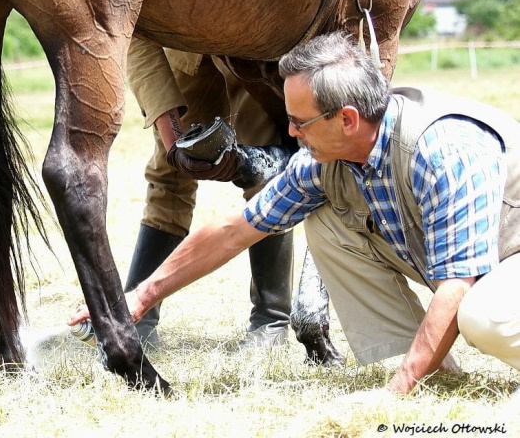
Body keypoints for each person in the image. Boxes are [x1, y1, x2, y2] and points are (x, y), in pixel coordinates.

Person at [72, 31, 520, 394]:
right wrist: (139, 296)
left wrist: (393, 396)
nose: (289, 132)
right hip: (476, 266)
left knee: (485, 317)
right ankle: (431, 373)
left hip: (507, 258)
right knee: (328, 222)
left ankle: (413, 374)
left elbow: (457, 283)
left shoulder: (442, 151)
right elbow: (235, 230)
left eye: (300, 123)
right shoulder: (327, 158)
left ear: (346, 119)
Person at [119, 37, 295, 347]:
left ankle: (272, 318)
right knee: (168, 176)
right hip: (185, 50)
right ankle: (137, 315)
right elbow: (138, 37)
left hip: (255, 49)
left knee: (266, 178)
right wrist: (171, 140)